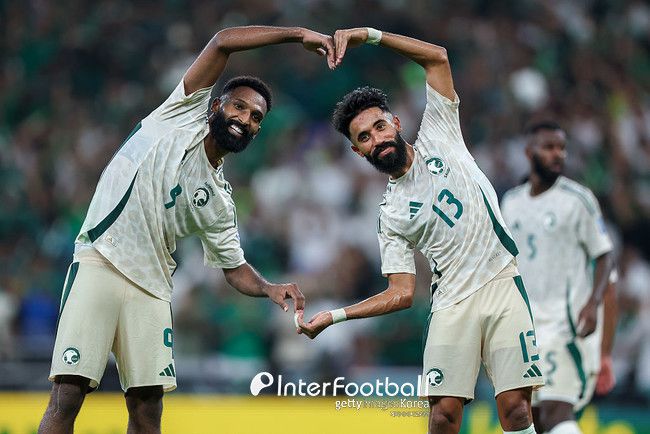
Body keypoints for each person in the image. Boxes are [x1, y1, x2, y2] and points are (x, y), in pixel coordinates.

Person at [39, 25, 335, 434]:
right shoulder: (179, 114)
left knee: (147, 411)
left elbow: (234, 268)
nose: (245, 119)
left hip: (153, 286)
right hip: (101, 259)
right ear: (215, 106)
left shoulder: (219, 200)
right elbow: (223, 41)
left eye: (255, 117)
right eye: (238, 107)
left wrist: (268, 287)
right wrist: (297, 34)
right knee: (68, 395)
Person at [298, 27, 544, 434]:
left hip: (502, 281)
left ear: (395, 122)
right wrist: (335, 316)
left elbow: (438, 57)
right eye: (364, 138)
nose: (377, 139)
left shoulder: (438, 132)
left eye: (379, 126)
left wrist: (370, 35)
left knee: (516, 410)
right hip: (450, 303)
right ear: (358, 151)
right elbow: (401, 293)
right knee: (443, 417)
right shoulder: (390, 213)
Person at [500, 121, 614, 434]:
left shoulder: (578, 199)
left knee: (557, 411)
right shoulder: (510, 202)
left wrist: (593, 304)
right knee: (529, 418)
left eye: (562, 148)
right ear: (529, 152)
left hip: (567, 326)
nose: (557, 154)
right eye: (549, 147)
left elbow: (605, 256)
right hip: (526, 330)